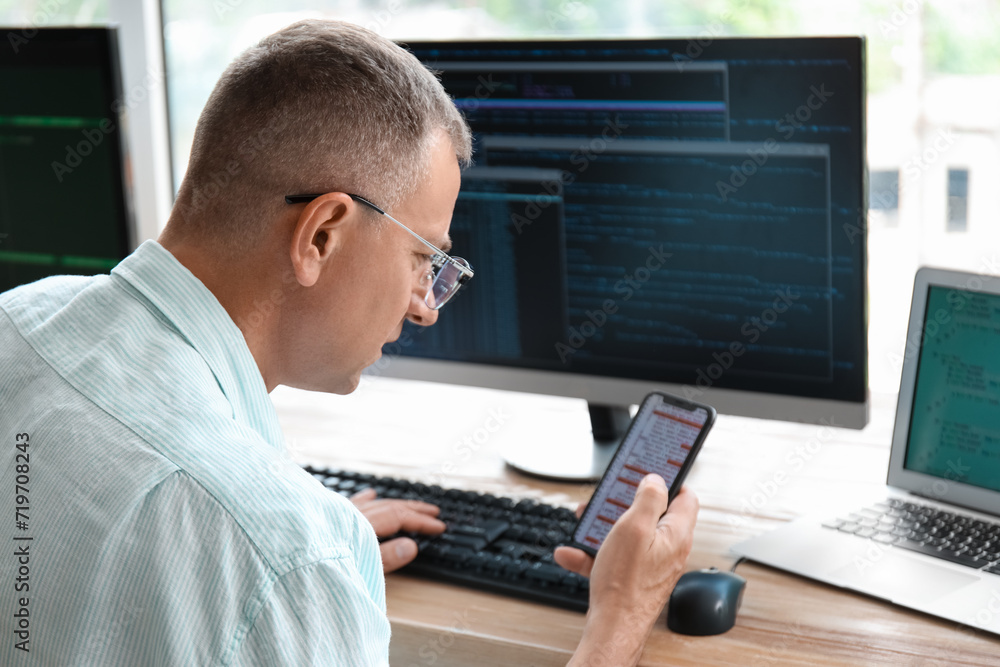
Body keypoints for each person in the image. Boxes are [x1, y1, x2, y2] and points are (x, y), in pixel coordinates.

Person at [0, 19, 697, 666]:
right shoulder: (284, 552)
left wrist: (319, 545)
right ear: (322, 235)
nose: (426, 306)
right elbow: (250, 543)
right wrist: (621, 616)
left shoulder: (17, 320)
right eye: (426, 259)